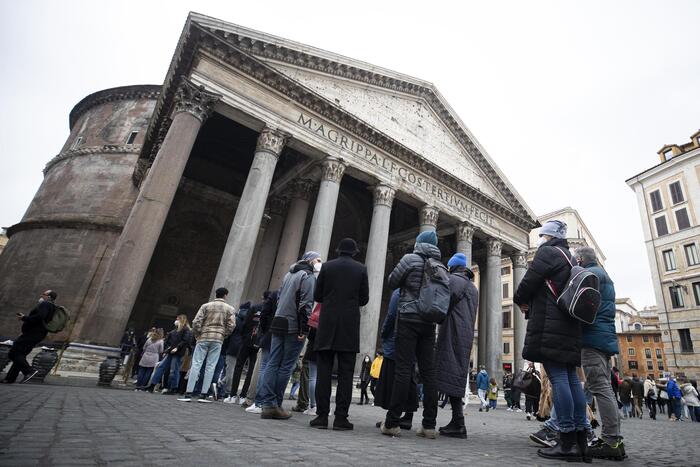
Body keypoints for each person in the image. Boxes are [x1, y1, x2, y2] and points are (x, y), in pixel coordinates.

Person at [514, 220, 588, 462]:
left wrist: (520, 299)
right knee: (571, 380)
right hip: (569, 325)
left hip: (550, 325)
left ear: (546, 236)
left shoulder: (547, 252)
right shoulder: (569, 256)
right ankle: (580, 439)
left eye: (541, 235)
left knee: (558, 379)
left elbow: (527, 283)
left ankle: (565, 439)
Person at [380, 230, 442, 439]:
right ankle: (429, 425)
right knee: (429, 373)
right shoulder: (440, 266)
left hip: (408, 319)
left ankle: (392, 422)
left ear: (419, 243)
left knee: (403, 370)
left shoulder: (410, 259)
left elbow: (392, 281)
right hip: (429, 323)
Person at [311, 238, 369, 431]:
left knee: (324, 372)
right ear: (354, 252)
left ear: (337, 251)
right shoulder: (361, 269)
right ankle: (341, 418)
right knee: (345, 374)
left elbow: (317, 296)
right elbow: (364, 298)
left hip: (327, 323)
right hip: (349, 325)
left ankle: (321, 416)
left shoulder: (327, 267)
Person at [573, 246, 625, 459]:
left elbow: (581, 307)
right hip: (603, 336)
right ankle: (613, 440)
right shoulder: (604, 276)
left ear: (581, 259)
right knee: (604, 388)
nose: (575, 262)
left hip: (592, 336)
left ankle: (611, 440)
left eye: (576, 259)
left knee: (600, 387)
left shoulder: (589, 275)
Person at [259, 252, 319, 420]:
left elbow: (279, 298)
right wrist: (304, 330)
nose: (319, 263)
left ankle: (267, 403)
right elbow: (305, 305)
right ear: (309, 260)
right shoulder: (307, 276)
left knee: (272, 362)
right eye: (318, 259)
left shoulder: (289, 274)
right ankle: (275, 405)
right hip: (293, 325)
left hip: (278, 321)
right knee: (286, 366)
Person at [434, 252, 478, 438]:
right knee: (456, 376)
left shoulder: (454, 280)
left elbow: (443, 303)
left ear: (452, 266)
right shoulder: (473, 287)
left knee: (442, 373)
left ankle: (433, 419)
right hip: (466, 333)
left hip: (452, 331)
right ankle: (457, 421)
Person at [178, 287, 235, 403]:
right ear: (225, 295)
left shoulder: (205, 306)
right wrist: (223, 334)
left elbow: (196, 322)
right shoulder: (230, 309)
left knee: (196, 364)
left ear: (216, 294)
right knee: (211, 366)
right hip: (217, 339)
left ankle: (188, 393)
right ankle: (203, 395)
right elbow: (232, 325)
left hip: (203, 337)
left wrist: (198, 334)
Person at [374, 289, 418, 431]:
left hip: (397, 342)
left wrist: (384, 333)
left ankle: (392, 418)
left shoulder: (400, 292)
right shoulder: (424, 291)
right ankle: (408, 416)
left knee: (395, 380)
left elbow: (391, 315)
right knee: (410, 378)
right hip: (416, 343)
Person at [3, 290, 57, 384]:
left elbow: (40, 317)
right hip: (38, 334)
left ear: (48, 297)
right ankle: (10, 378)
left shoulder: (45, 304)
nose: (41, 295)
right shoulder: (52, 306)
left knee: (13, 352)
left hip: (32, 334)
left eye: (44, 294)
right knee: (21, 355)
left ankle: (29, 371)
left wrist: (24, 318)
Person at [244, 290, 277, 413]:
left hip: (268, 335)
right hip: (282, 336)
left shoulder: (274, 295)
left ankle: (256, 401)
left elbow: (263, 315)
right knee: (273, 368)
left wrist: (263, 330)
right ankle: (266, 402)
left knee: (262, 367)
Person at [146, 314, 193, 394]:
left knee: (174, 370)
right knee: (161, 367)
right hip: (171, 352)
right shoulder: (174, 331)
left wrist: (177, 347)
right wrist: (167, 349)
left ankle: (173, 388)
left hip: (178, 352)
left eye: (177, 319)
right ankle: (152, 385)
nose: (176, 321)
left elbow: (185, 340)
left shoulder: (186, 330)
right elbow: (168, 341)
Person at [226, 301, 261, 404]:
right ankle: (243, 396)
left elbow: (245, 323)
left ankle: (233, 395)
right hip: (257, 343)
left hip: (246, 341)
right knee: (251, 370)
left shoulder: (254, 307)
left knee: (238, 367)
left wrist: (244, 336)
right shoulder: (269, 308)